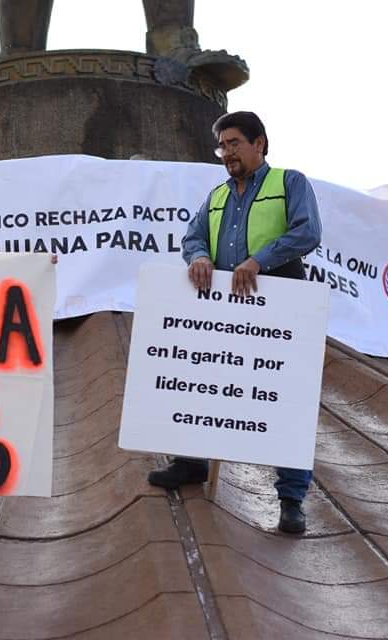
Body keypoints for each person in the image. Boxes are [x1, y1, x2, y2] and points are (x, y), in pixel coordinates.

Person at [146, 112, 322, 534]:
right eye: (222, 146)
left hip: (279, 305)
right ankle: (192, 462)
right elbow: (192, 238)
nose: (227, 153)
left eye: (235, 143)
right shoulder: (217, 196)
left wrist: (260, 260)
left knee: (284, 399)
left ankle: (291, 499)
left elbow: (308, 232)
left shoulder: (289, 183)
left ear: (259, 143)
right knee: (206, 379)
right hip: (224, 311)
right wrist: (200, 258)